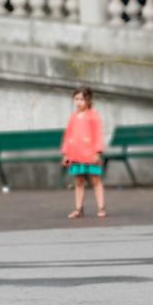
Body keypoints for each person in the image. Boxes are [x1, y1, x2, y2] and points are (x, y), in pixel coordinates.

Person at [61, 87, 107, 219]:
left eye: (82, 99)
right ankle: (78, 209)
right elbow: (68, 136)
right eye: (76, 99)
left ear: (88, 100)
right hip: (76, 155)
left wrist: (97, 152)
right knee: (79, 182)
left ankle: (101, 207)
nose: (79, 102)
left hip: (91, 155)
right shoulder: (73, 117)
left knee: (95, 180)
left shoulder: (94, 116)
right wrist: (66, 154)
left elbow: (98, 134)